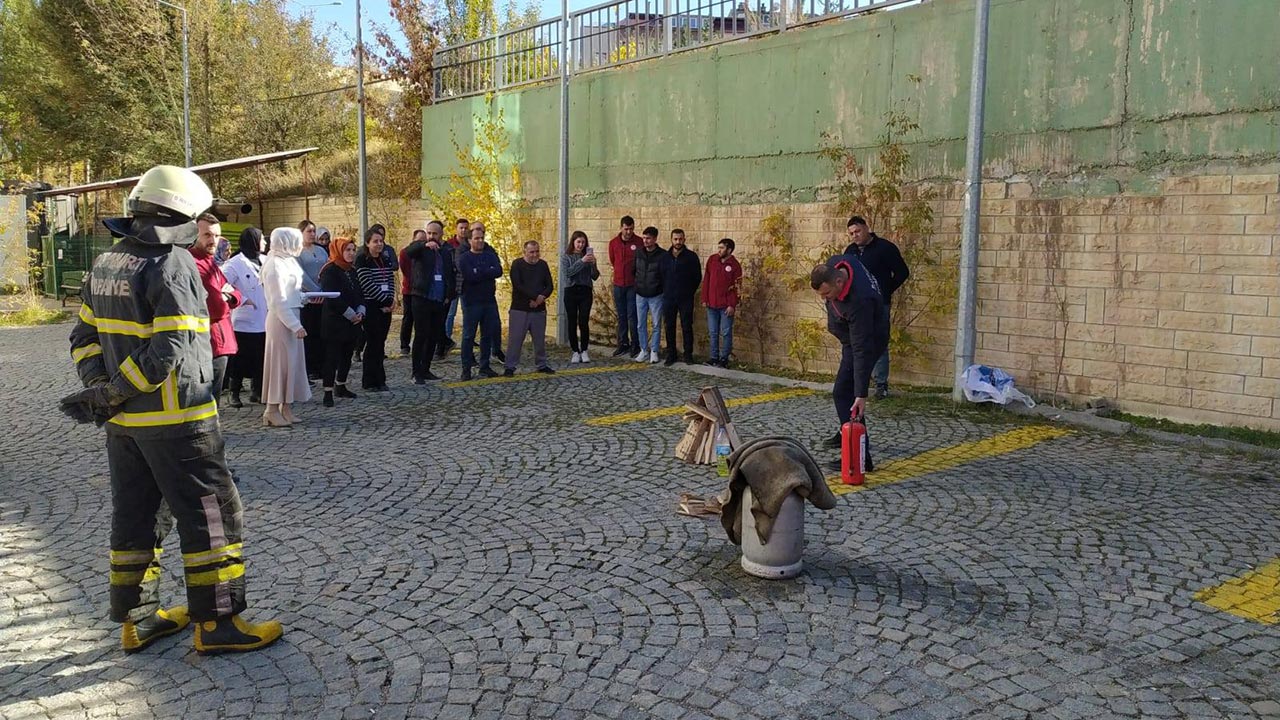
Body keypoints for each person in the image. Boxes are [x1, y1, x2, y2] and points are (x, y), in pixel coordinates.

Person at [61, 164, 281, 655]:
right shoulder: (172, 265)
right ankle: (219, 623)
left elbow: (83, 338)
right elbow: (169, 349)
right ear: (178, 215)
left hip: (124, 428)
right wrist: (117, 391)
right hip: (179, 421)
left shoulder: (107, 263)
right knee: (214, 514)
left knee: (137, 516)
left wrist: (103, 391)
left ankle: (138, 622)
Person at [810, 255, 888, 466]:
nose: (825, 299)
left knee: (845, 393)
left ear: (839, 282)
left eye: (827, 294)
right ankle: (857, 453)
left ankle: (858, 459)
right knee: (843, 393)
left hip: (867, 341)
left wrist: (861, 394)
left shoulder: (859, 301)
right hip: (850, 339)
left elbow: (862, 350)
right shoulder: (839, 262)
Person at [843, 216, 909, 398]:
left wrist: (885, 290)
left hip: (879, 305)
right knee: (856, 343)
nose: (855, 236)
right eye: (851, 233)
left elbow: (903, 272)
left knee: (879, 342)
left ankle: (881, 385)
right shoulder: (850, 251)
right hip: (856, 307)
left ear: (866, 228)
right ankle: (857, 383)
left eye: (857, 231)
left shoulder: (885, 248)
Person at [261, 227, 313, 427]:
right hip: (281, 321)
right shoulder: (274, 264)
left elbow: (292, 291)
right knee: (279, 365)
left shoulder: (288, 261)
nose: (300, 245)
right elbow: (277, 300)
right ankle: (271, 409)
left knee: (292, 364)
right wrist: (294, 324)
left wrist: (303, 298)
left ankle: (287, 406)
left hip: (293, 314)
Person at [190, 213, 241, 405]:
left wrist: (227, 296)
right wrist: (226, 297)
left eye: (217, 235)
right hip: (207, 341)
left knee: (214, 401)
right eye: (207, 235)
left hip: (221, 340)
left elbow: (236, 293)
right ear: (195, 234)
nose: (213, 240)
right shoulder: (193, 263)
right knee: (207, 401)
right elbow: (217, 308)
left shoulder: (211, 262)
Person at [404, 221, 457, 384]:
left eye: (435, 234)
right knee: (421, 335)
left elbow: (450, 274)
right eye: (429, 233)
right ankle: (416, 372)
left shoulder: (446, 251)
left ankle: (426, 369)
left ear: (441, 235)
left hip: (439, 299)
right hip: (421, 297)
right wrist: (424, 244)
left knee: (434, 335)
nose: (431, 236)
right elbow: (408, 252)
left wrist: (449, 294)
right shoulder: (421, 249)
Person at [223, 228, 268, 407]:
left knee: (261, 356)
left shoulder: (265, 260)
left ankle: (257, 391)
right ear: (253, 241)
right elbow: (222, 285)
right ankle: (234, 392)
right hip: (244, 320)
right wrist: (241, 300)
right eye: (262, 239)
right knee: (240, 358)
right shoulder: (235, 263)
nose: (264, 242)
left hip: (264, 317)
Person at [318, 237, 365, 407]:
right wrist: (350, 313)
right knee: (332, 357)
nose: (351, 253)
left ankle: (341, 385)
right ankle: (328, 391)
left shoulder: (352, 270)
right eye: (347, 250)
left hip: (352, 321)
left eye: (353, 250)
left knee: (347, 355)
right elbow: (332, 297)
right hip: (335, 321)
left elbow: (359, 293)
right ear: (339, 251)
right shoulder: (329, 270)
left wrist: (361, 310)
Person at [457, 223, 504, 381]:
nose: (480, 241)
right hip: (472, 302)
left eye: (482, 238)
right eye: (476, 238)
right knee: (469, 336)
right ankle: (466, 368)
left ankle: (485, 366)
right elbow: (470, 276)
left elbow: (498, 271)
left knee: (487, 335)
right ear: (470, 240)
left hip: (489, 301)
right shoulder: (464, 258)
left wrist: (481, 271)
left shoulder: (490, 255)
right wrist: (486, 271)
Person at [355, 226, 396, 392]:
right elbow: (366, 283)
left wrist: (391, 300)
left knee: (381, 344)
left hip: (385, 306)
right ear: (367, 243)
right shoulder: (362, 260)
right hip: (372, 305)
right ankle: (369, 381)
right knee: (372, 344)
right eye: (375, 241)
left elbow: (390, 280)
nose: (379, 244)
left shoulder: (384, 259)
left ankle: (381, 379)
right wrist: (383, 301)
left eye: (381, 241)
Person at [504, 240, 555, 376]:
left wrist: (540, 298)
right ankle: (510, 366)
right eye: (532, 252)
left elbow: (549, 285)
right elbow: (518, 285)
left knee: (539, 340)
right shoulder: (517, 264)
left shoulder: (543, 265)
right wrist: (533, 297)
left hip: (538, 309)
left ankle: (541, 364)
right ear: (525, 252)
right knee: (515, 339)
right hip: (520, 308)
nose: (535, 255)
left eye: (537, 251)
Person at [660, 228, 701, 366]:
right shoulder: (665, 257)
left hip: (685, 298)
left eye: (680, 239)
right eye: (675, 239)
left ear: (684, 239)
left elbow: (697, 277)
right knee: (669, 326)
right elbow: (660, 276)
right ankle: (671, 354)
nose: (678, 242)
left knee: (687, 326)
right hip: (668, 297)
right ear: (671, 240)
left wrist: (689, 292)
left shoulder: (691, 257)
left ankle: (688, 355)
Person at [702, 238, 742, 369]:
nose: (719, 250)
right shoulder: (712, 260)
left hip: (726, 305)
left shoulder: (735, 265)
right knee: (713, 332)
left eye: (722, 248)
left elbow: (737, 287)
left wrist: (732, 304)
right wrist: (704, 298)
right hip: (711, 304)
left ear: (729, 250)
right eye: (718, 247)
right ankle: (714, 357)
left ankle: (724, 359)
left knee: (726, 332)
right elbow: (706, 279)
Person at [560, 230, 600, 364]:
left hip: (585, 290)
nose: (581, 245)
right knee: (572, 321)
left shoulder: (588, 256)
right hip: (571, 290)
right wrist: (582, 261)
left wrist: (593, 264)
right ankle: (575, 351)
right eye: (578, 242)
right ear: (573, 242)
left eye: (583, 242)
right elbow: (568, 273)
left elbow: (594, 276)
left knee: (583, 321)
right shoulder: (566, 257)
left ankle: (584, 350)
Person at [296, 220, 326, 379]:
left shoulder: (321, 251)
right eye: (309, 231)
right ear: (301, 233)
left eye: (314, 231)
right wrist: (315, 291)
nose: (313, 234)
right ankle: (310, 367)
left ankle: (322, 365)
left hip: (322, 297)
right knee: (309, 332)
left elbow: (326, 269)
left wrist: (323, 290)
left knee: (321, 332)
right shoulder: (297, 252)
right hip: (307, 298)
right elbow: (300, 275)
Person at [608, 216, 641, 357]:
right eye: (626, 229)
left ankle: (635, 345)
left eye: (631, 229)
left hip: (632, 285)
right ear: (621, 227)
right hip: (618, 285)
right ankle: (623, 344)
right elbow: (613, 260)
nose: (629, 232)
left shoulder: (639, 242)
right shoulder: (613, 243)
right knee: (621, 316)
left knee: (633, 316)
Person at [633, 226, 666, 364]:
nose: (645, 241)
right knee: (640, 324)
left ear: (655, 239)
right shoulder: (639, 253)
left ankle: (654, 351)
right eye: (644, 238)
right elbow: (633, 270)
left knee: (656, 324)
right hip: (640, 294)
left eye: (648, 238)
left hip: (656, 295)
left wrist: (661, 289)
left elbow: (665, 275)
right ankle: (643, 350)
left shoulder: (662, 255)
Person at [437, 218, 468, 357]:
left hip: (466, 284)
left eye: (465, 228)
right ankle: (446, 341)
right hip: (452, 284)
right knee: (450, 314)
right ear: (456, 229)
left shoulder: (469, 244)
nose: (463, 230)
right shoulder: (449, 245)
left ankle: (467, 341)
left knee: (468, 314)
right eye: (461, 227)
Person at [398, 229, 423, 355]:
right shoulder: (405, 253)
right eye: (419, 240)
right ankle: (404, 344)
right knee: (408, 318)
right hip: (409, 290)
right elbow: (406, 271)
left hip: (421, 291)